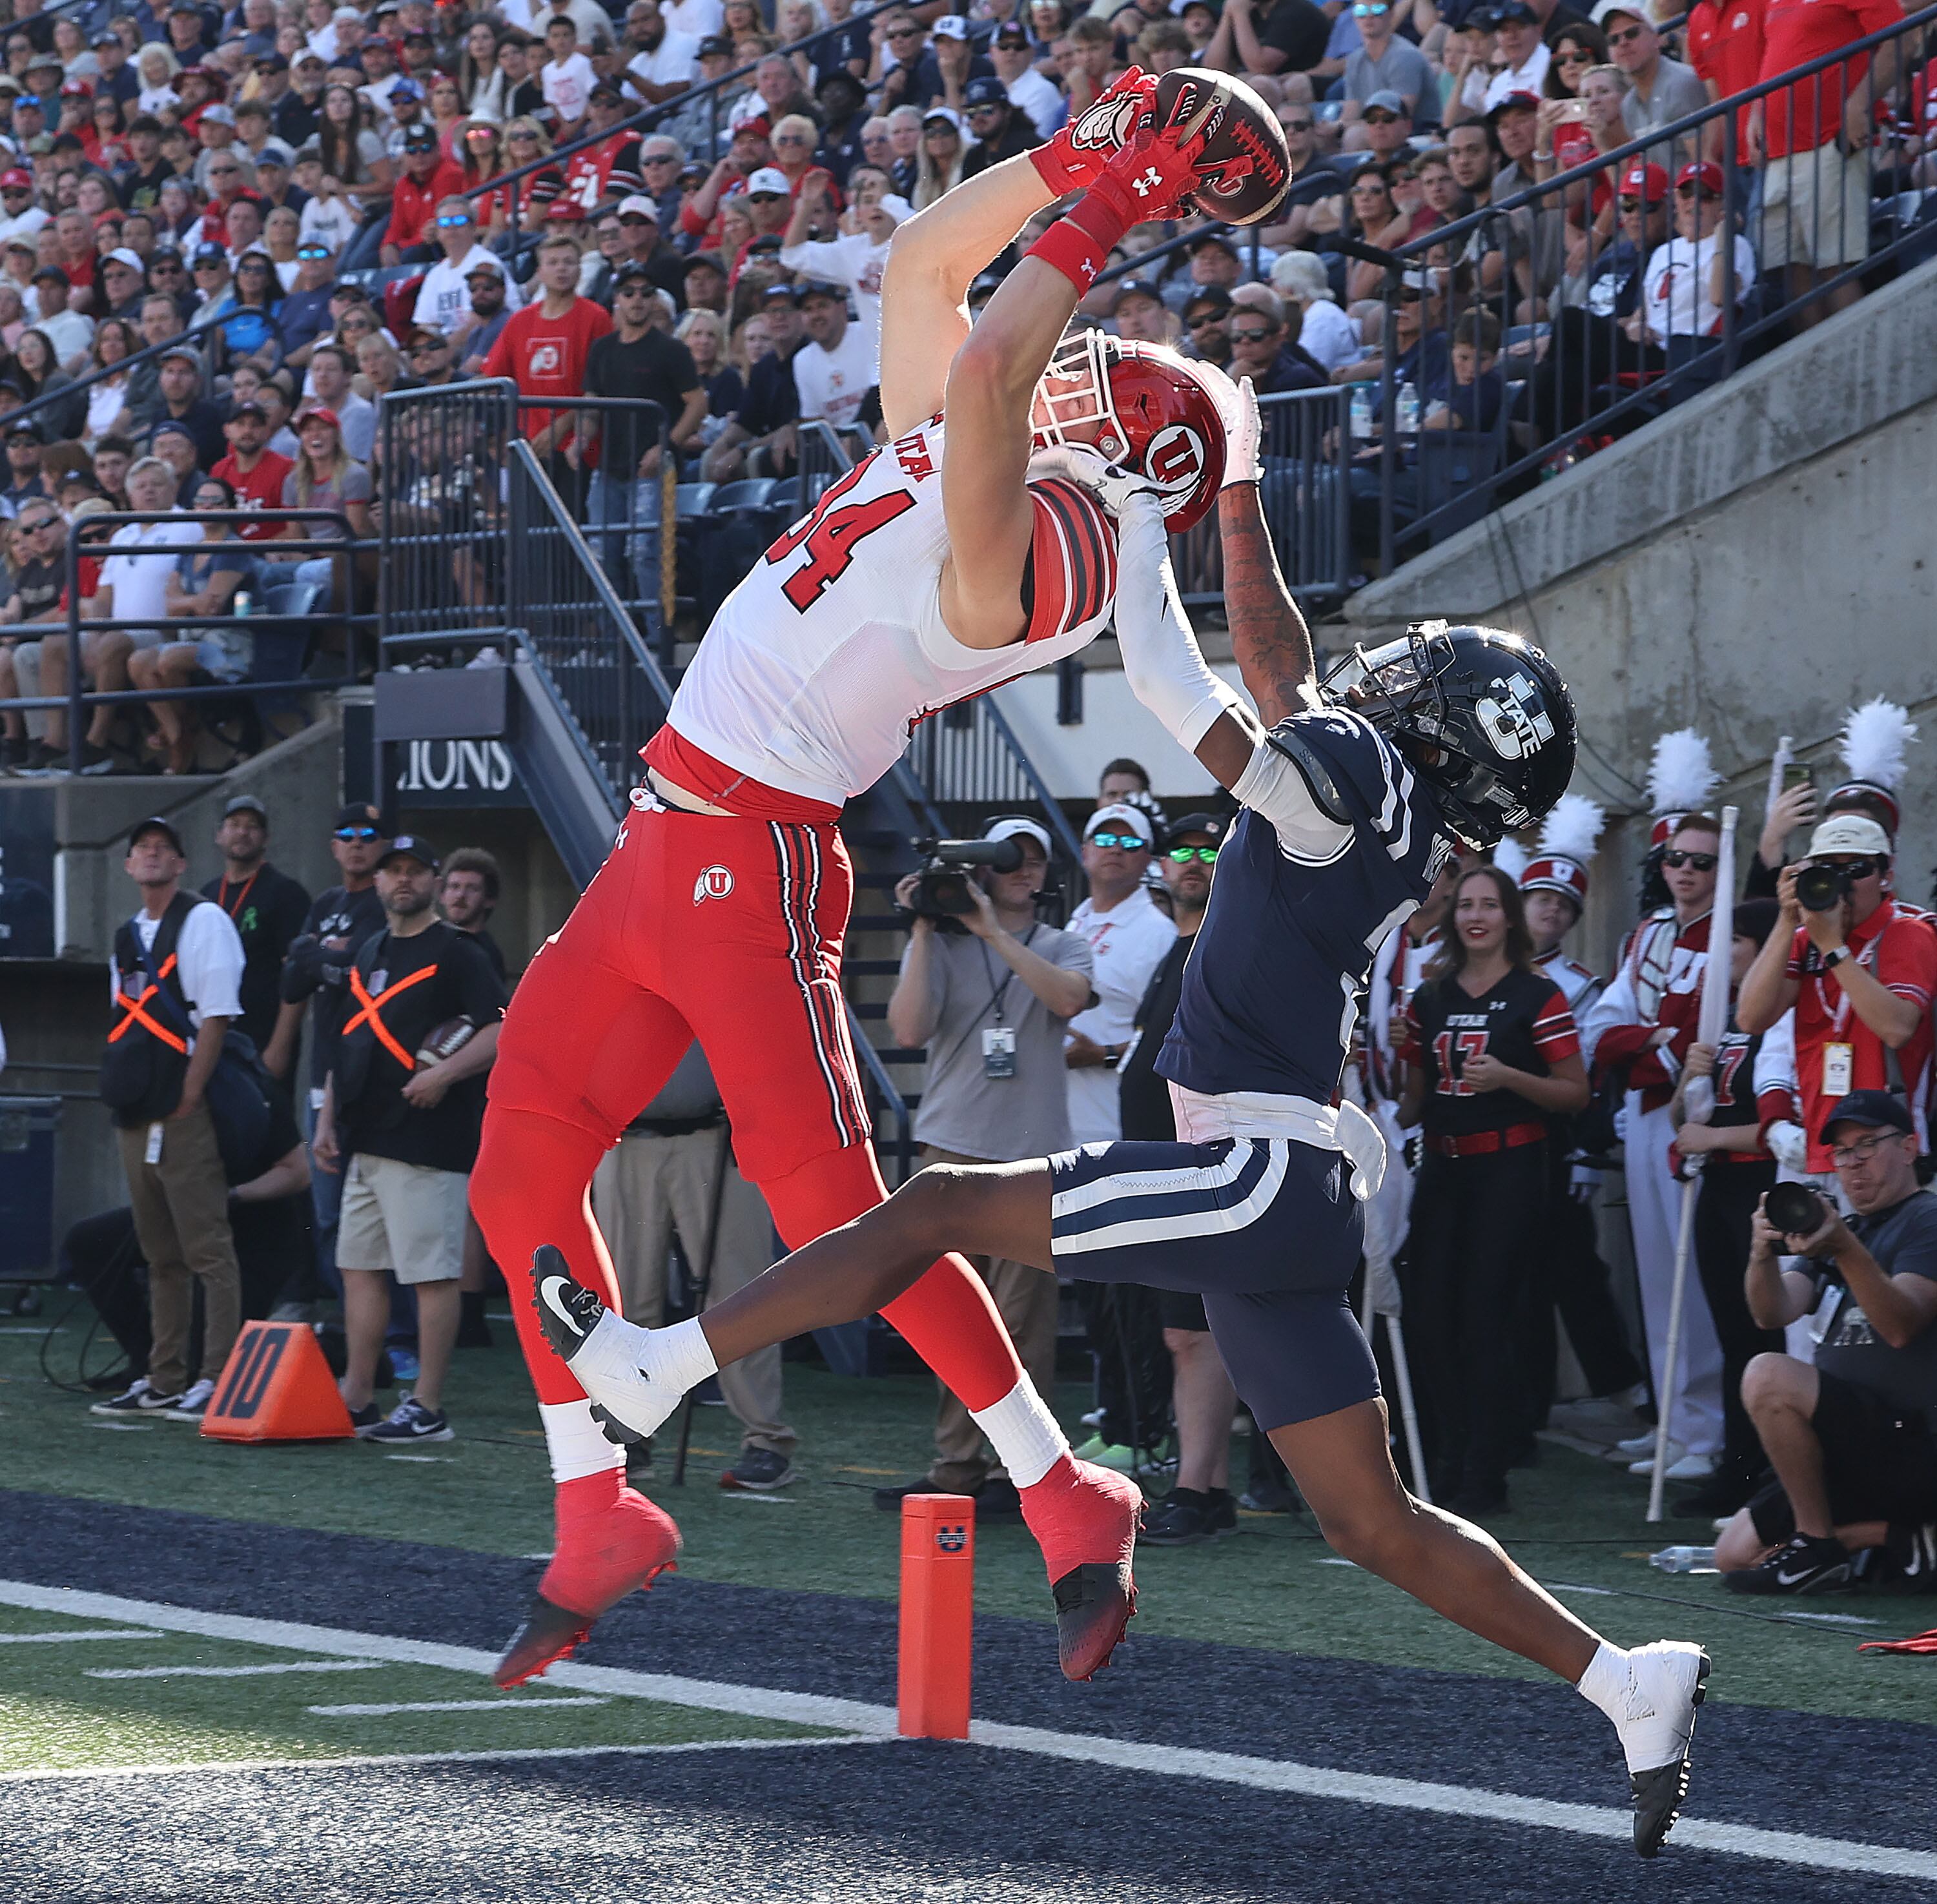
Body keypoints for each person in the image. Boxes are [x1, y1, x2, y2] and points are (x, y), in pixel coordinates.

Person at [540, 446, 1712, 1858]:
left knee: (936, 1202)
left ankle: (659, 1363)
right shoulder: (1385, 806)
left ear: (1444, 730)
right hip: (1291, 1185)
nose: (1387, 681)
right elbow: (1277, 683)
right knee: (1372, 1520)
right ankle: (1626, 1680)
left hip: (1254, 1171)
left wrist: (1154, 519)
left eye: (1421, 683)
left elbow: (1183, 679)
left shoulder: (1355, 770)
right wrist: (1222, 499)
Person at [471, 73, 1236, 1693]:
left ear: (1103, 453)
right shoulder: (997, 469)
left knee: (832, 1203)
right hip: (660, 836)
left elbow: (987, 354)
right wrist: (1071, 154)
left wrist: (1114, 203)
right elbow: (920, 274)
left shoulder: (1013, 558)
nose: (1074, 371)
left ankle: (1055, 1479)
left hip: (746, 851)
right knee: (515, 1173)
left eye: (1098, 383)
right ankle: (595, 1509)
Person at [874, 815, 1094, 1517]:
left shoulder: (1064, 943)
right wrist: (921, 926)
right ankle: (955, 1467)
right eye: (1008, 860)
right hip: (952, 1153)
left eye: (1033, 861)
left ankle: (1017, 1474)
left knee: (1024, 1320)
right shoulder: (940, 944)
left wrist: (992, 930)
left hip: (1035, 1159)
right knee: (953, 1315)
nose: (1023, 871)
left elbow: (1067, 1000)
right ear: (983, 871)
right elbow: (907, 1029)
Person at [1397, 864, 1590, 1513]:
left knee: (1485, 1317)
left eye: (1490, 904)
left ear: (1510, 916)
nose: (1476, 915)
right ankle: (1454, 1450)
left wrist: (1509, 1077)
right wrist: (1398, 1058)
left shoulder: (1539, 996)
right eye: (1465, 904)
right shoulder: (1431, 995)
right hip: (1443, 1168)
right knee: (1427, 1315)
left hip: (1512, 1168)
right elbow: (1415, 1103)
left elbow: (1575, 1092)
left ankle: (1484, 1469)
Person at [313, 835, 506, 1444]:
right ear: (377, 881)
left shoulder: (459, 951)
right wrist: (325, 1119)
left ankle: (427, 1406)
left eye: (416, 872)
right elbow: (351, 1040)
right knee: (359, 1267)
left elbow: (503, 1029)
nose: (403, 880)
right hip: (365, 1136)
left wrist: (444, 1073)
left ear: (432, 880)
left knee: (430, 1275)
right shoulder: (369, 947)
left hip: (429, 1140)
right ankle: (359, 1395)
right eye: (393, 871)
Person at [1716, 1091, 1937, 1593]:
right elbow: (1772, 1310)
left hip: (1911, 1439)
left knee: (1766, 1374)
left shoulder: (1927, 1218)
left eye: (1867, 1146)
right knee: (1733, 1555)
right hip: (1850, 1443)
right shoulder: (1845, 1228)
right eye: (1841, 1153)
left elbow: (1902, 1324)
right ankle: (1885, 1539)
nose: (1853, 1165)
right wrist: (1761, 1254)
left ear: (1909, 1147)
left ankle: (1820, 1544)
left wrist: (1845, 1247)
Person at [1583, 798, 1728, 1481]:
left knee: (1691, 1269)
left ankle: (1706, 1429)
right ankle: (1675, 1419)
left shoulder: (1732, 935)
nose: (1686, 873)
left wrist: (1652, 1045)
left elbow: (1716, 1037)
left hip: (1694, 1114)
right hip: (1644, 1112)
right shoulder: (1648, 936)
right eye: (1675, 859)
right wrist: (1658, 1040)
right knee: (1656, 1270)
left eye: (1703, 862)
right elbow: (1602, 1034)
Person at [95, 814, 246, 1424]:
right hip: (137, 1106)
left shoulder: (204, 918)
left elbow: (216, 1014)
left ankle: (217, 1376)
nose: (152, 856)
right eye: (142, 849)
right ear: (129, 866)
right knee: (160, 1253)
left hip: (181, 1106)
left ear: (182, 863)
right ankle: (163, 1376)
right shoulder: (126, 933)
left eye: (164, 849)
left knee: (207, 1247)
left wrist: (189, 1093)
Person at [1122, 811, 1242, 1547]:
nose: (1193, 863)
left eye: (1209, 852)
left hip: (1202, 1163)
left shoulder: (1224, 948)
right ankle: (1209, 1485)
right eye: (1181, 853)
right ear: (1160, 868)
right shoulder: (1178, 948)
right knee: (1182, 1334)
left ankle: (1195, 1488)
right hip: (1161, 1166)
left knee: (1197, 1333)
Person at [1737, 812, 1937, 1176]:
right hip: (1822, 1145)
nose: (1842, 884)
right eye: (1829, 870)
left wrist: (1833, 946)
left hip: (1890, 1149)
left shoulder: (1910, 931)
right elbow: (1751, 1019)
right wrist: (1786, 919)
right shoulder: (1804, 938)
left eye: (1857, 870)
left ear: (1885, 877)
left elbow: (1897, 1028)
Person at [1065, 802, 1179, 1147]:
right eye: (1103, 839)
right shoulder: (1075, 921)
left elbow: (1175, 1037)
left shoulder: (1160, 933)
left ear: (1147, 860)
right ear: (1085, 853)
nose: (1115, 848)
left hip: (1117, 1126)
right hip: (1062, 1121)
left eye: (1130, 844)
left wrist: (1105, 1055)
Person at [482, 230, 611, 512]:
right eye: (553, 263)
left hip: (578, 447)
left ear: (579, 270)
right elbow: (494, 377)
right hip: (529, 446)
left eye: (568, 262)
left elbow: (600, 385)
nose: (561, 269)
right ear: (540, 271)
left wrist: (562, 426)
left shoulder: (596, 317)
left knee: (569, 532)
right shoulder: (520, 321)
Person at [200, 794, 311, 1058]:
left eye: (252, 826)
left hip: (262, 1039)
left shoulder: (286, 893)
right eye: (235, 824)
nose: (242, 832)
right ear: (219, 835)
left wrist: (279, 1047)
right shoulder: (207, 895)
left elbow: (297, 976)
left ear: (266, 838)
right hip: (212, 1035)